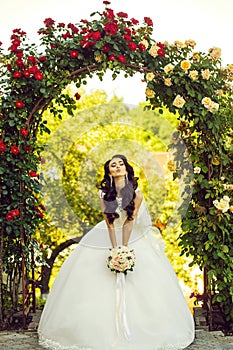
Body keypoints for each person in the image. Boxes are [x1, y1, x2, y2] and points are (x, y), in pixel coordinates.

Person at [38, 154, 195, 350]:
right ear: (109, 171)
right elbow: (110, 222)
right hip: (107, 233)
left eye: (121, 164)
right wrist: (114, 249)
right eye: (114, 165)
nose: (118, 167)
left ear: (126, 169)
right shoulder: (104, 194)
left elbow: (129, 221)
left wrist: (124, 248)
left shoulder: (136, 193)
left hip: (132, 236)